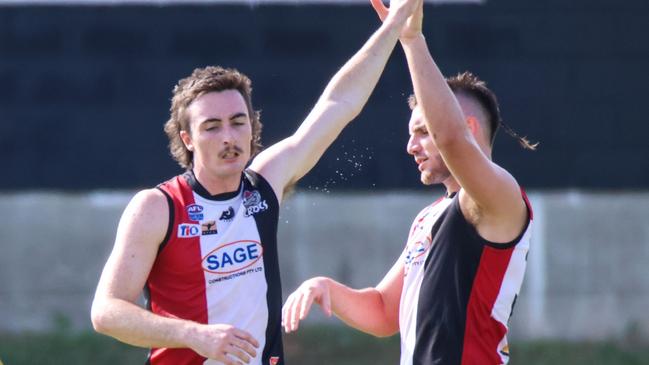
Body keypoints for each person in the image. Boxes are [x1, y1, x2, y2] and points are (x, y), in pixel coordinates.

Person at [89, 1, 422, 364]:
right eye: (212, 127)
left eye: (238, 122)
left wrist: (395, 28)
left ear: (252, 125)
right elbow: (106, 312)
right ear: (187, 138)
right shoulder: (159, 206)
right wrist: (192, 334)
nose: (229, 137)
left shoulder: (265, 182)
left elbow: (339, 103)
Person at [282, 1, 536, 364]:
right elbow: (385, 311)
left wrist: (412, 39)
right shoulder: (430, 216)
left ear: (469, 128)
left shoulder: (501, 196)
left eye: (421, 131)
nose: (410, 146)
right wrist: (326, 288)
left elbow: (450, 139)